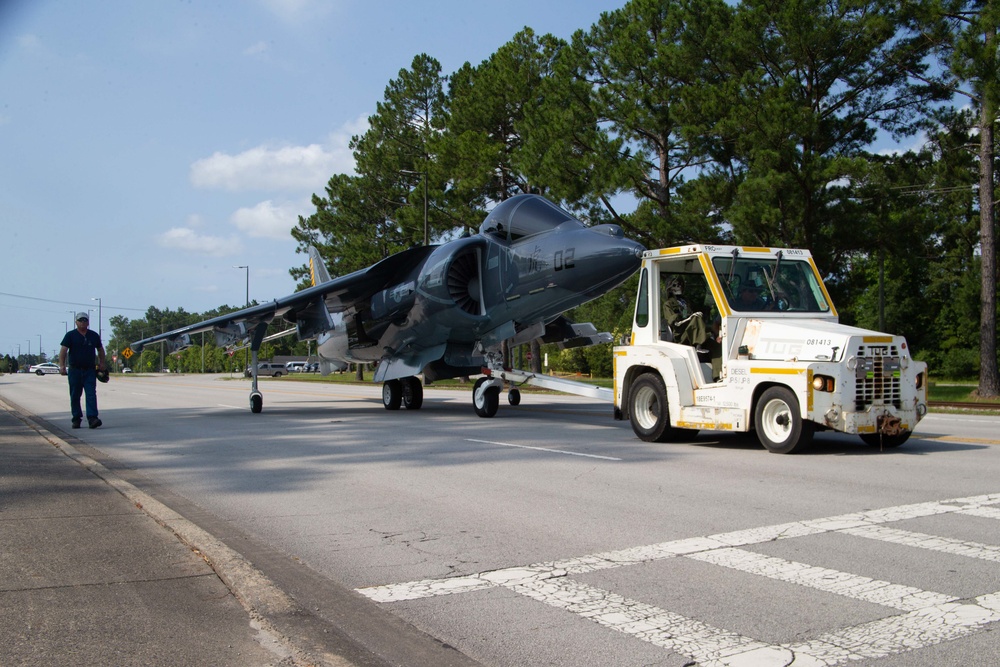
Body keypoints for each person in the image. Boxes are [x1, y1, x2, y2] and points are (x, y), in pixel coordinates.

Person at [59, 312, 106, 429]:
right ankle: (76, 418)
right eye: (80, 320)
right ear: (76, 322)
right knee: (75, 395)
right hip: (75, 370)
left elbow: (100, 350)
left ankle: (92, 418)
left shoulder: (93, 336)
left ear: (88, 322)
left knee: (91, 394)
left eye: (85, 320)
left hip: (89, 370)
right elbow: (63, 351)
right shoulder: (70, 335)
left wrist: (102, 363)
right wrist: (62, 366)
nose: (83, 322)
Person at [661, 276, 707, 347]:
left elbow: (687, 314)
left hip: (688, 327)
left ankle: (702, 342)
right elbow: (672, 321)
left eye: (680, 284)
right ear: (670, 289)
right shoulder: (668, 304)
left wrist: (690, 316)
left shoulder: (685, 302)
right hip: (679, 332)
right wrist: (688, 317)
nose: (678, 286)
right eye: (675, 285)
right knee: (696, 318)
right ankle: (699, 344)